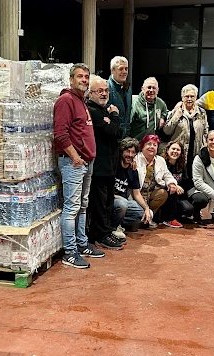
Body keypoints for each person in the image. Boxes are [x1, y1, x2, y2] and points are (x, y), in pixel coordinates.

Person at [54, 63, 102, 269]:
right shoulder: (66, 100)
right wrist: (74, 157)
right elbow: (60, 134)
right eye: (80, 76)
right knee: (72, 207)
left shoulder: (81, 101)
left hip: (86, 162)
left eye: (86, 77)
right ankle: (70, 252)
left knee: (82, 206)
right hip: (74, 163)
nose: (84, 80)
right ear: (71, 79)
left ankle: (82, 244)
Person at [86, 75, 124, 251]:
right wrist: (114, 116)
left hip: (109, 167)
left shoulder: (104, 110)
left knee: (108, 202)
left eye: (106, 90)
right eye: (99, 91)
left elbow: (118, 133)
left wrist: (112, 122)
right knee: (99, 204)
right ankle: (99, 236)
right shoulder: (92, 110)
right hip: (99, 168)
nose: (103, 94)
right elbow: (111, 130)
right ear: (91, 93)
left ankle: (106, 232)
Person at [134, 134, 180, 228]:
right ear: (142, 146)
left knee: (163, 193)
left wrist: (171, 183)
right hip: (136, 194)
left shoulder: (160, 160)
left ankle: (149, 216)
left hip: (151, 193)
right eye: (149, 144)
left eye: (154, 145)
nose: (152, 147)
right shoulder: (136, 159)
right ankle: (142, 216)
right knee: (136, 219)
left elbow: (167, 175)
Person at [163, 83, 208, 176]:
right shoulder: (175, 111)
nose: (189, 99)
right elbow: (167, 131)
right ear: (182, 97)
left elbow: (205, 132)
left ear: (196, 97)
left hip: (196, 152)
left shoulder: (202, 112)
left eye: (192, 96)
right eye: (186, 96)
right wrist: (176, 116)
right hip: (179, 154)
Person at [112, 137, 152, 239]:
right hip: (111, 200)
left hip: (124, 203)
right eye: (127, 151)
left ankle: (120, 222)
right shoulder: (114, 164)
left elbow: (136, 193)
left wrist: (147, 208)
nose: (130, 155)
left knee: (146, 213)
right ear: (121, 151)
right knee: (122, 203)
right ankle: (113, 227)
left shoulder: (133, 170)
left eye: (133, 152)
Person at [159, 141, 193, 227]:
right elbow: (159, 180)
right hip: (165, 192)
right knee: (172, 189)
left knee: (188, 208)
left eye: (178, 150)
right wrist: (175, 185)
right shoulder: (161, 163)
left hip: (179, 196)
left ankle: (177, 216)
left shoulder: (182, 165)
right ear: (167, 150)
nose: (175, 151)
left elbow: (186, 182)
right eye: (173, 149)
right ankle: (169, 219)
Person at [107, 56, 132, 138]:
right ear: (112, 70)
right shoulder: (105, 88)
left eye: (126, 69)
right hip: (111, 136)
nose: (124, 72)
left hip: (125, 137)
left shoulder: (128, 89)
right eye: (121, 69)